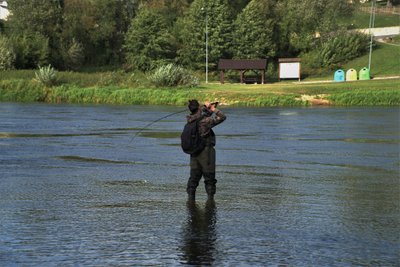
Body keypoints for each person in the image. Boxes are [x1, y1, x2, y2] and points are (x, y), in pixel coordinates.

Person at [186, 99, 226, 201]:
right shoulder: (205, 121)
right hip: (206, 153)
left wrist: (208, 108)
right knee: (209, 178)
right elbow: (222, 117)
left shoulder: (190, 119)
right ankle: (210, 201)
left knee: (194, 178)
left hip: (194, 154)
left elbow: (201, 115)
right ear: (198, 108)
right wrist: (214, 109)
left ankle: (190, 201)